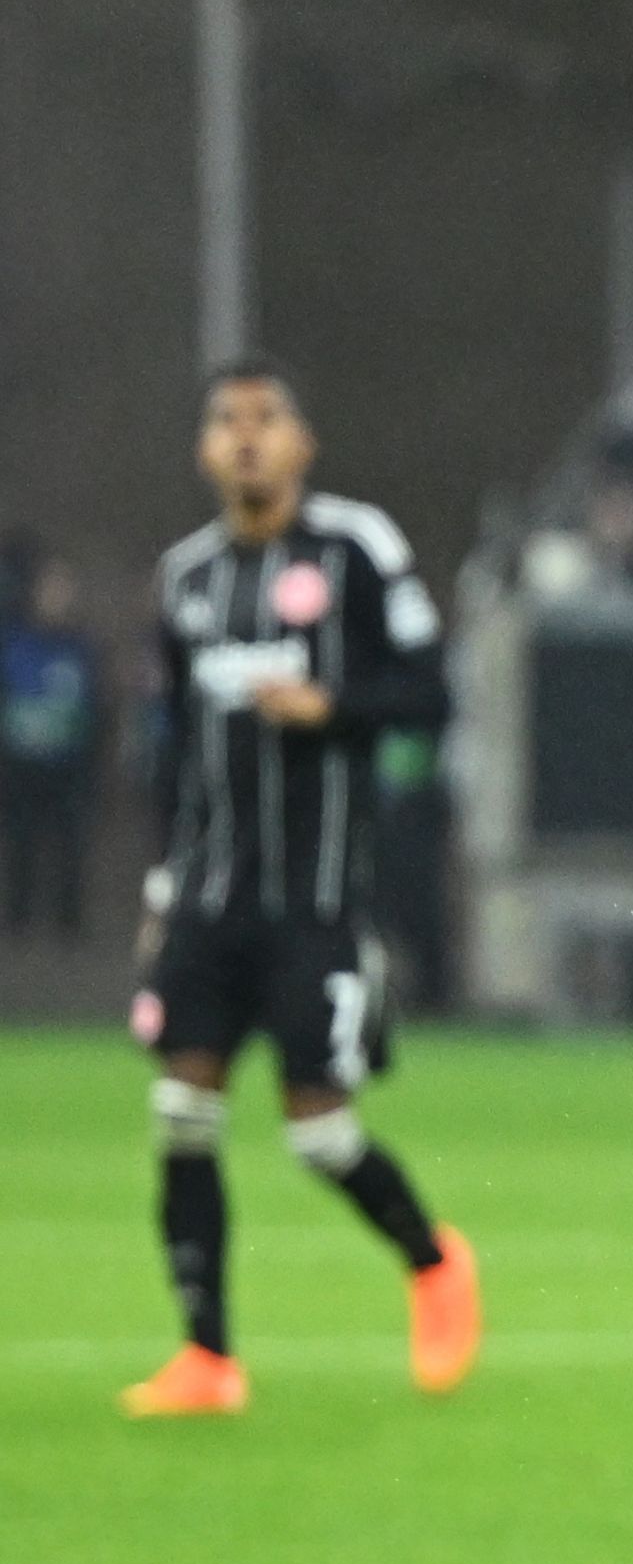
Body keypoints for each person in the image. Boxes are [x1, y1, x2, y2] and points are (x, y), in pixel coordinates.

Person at [120, 365, 480, 1417]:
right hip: (203, 899)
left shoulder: (354, 550)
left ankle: (431, 1261)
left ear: (303, 444)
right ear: (203, 449)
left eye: (265, 419)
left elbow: (429, 693)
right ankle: (206, 1356)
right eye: (225, 422)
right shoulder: (184, 578)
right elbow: (170, 750)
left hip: (315, 899)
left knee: (319, 1130)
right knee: (182, 1110)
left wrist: (329, 705)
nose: (244, 439)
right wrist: (158, 882)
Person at [4, 543, 110, 937]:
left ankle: (69, 925)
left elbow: (98, 708)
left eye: (64, 588)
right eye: (51, 588)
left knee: (69, 844)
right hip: (22, 764)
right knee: (21, 842)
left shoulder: (82, 648)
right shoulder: (14, 642)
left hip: (68, 766)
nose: (57, 597)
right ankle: (18, 922)